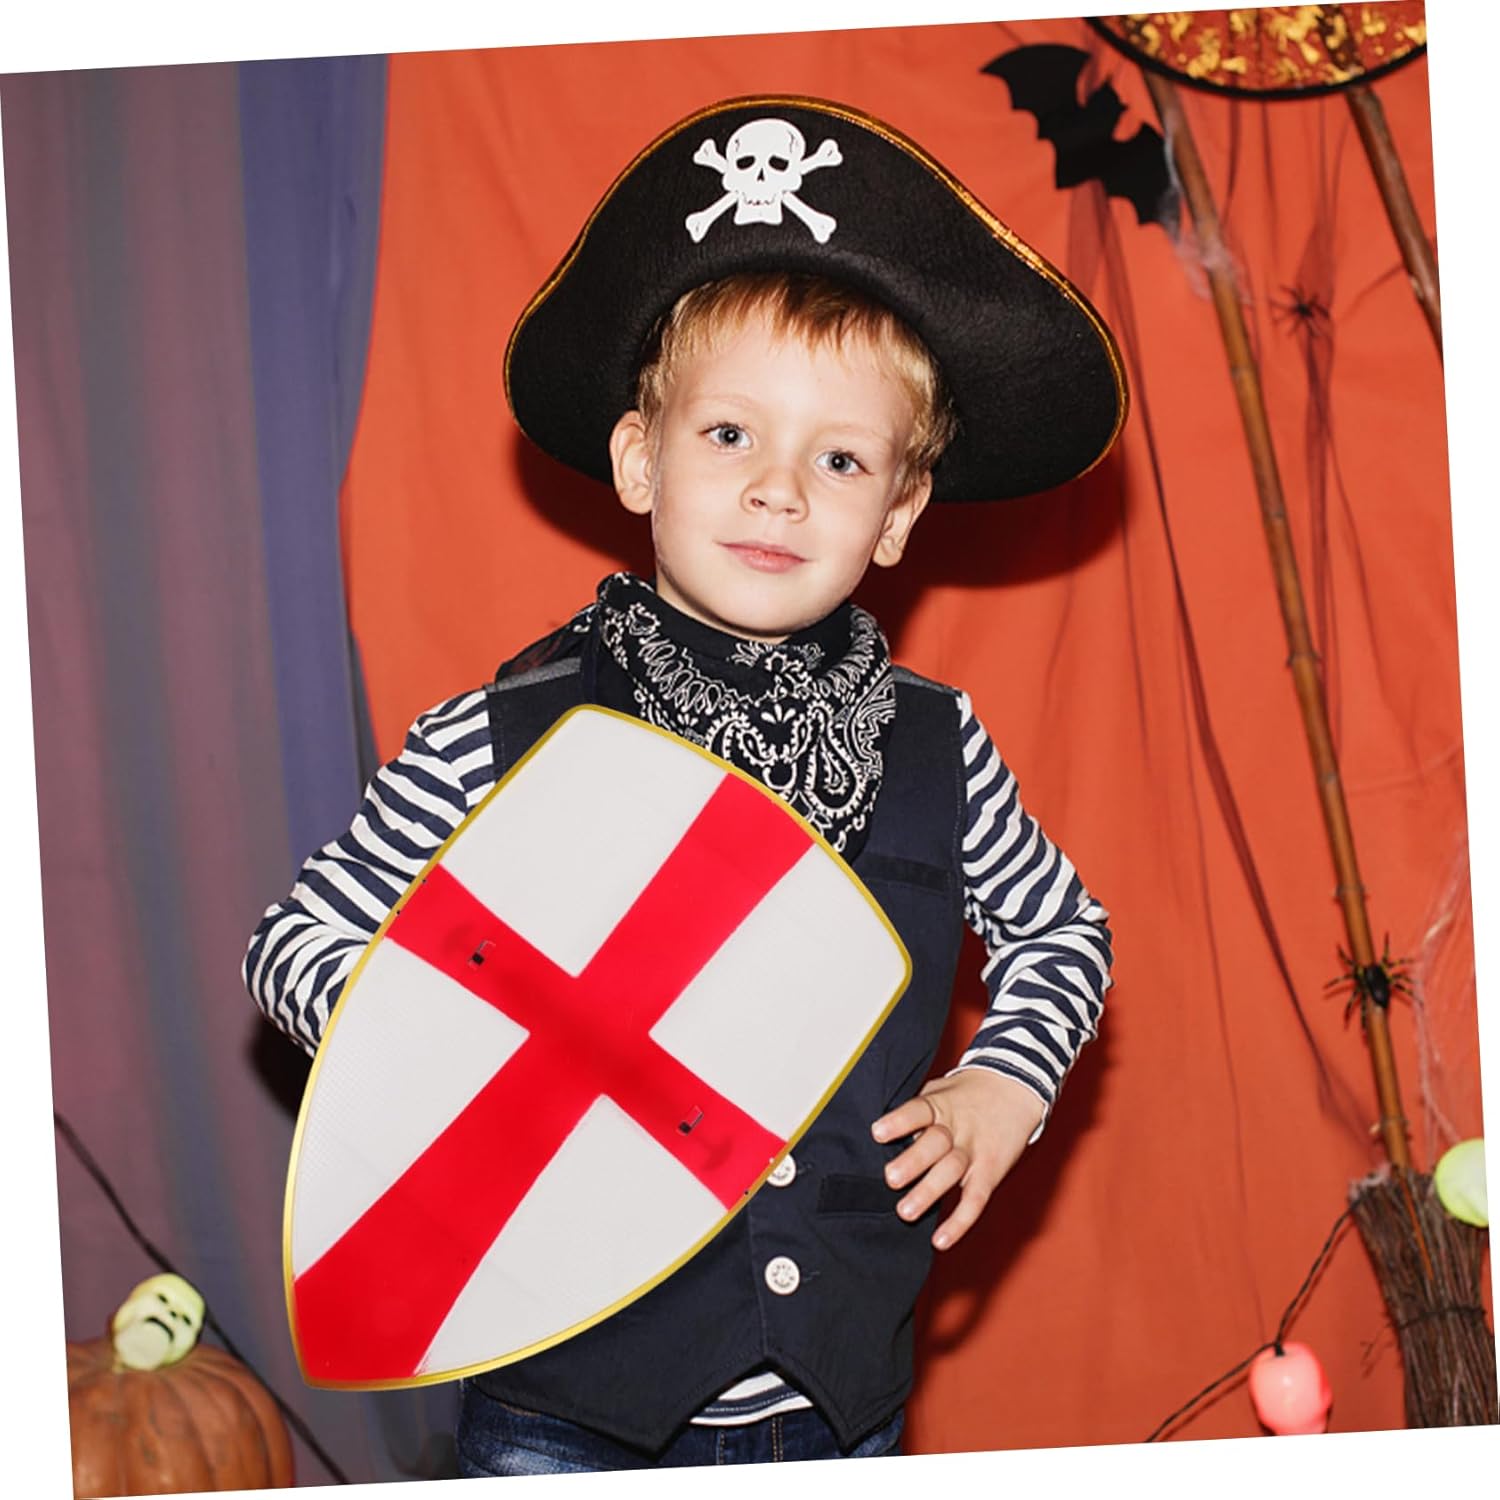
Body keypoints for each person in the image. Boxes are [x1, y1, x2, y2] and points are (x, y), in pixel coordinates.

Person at [244, 94, 1125, 1475]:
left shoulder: (938, 750)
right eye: (729, 436)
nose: (780, 489)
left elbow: (1065, 932)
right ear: (640, 458)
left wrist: (1004, 1085)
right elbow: (297, 942)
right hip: (561, 1401)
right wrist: (442, 1044)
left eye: (841, 458)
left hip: (837, 1401)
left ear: (899, 514)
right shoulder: (497, 738)